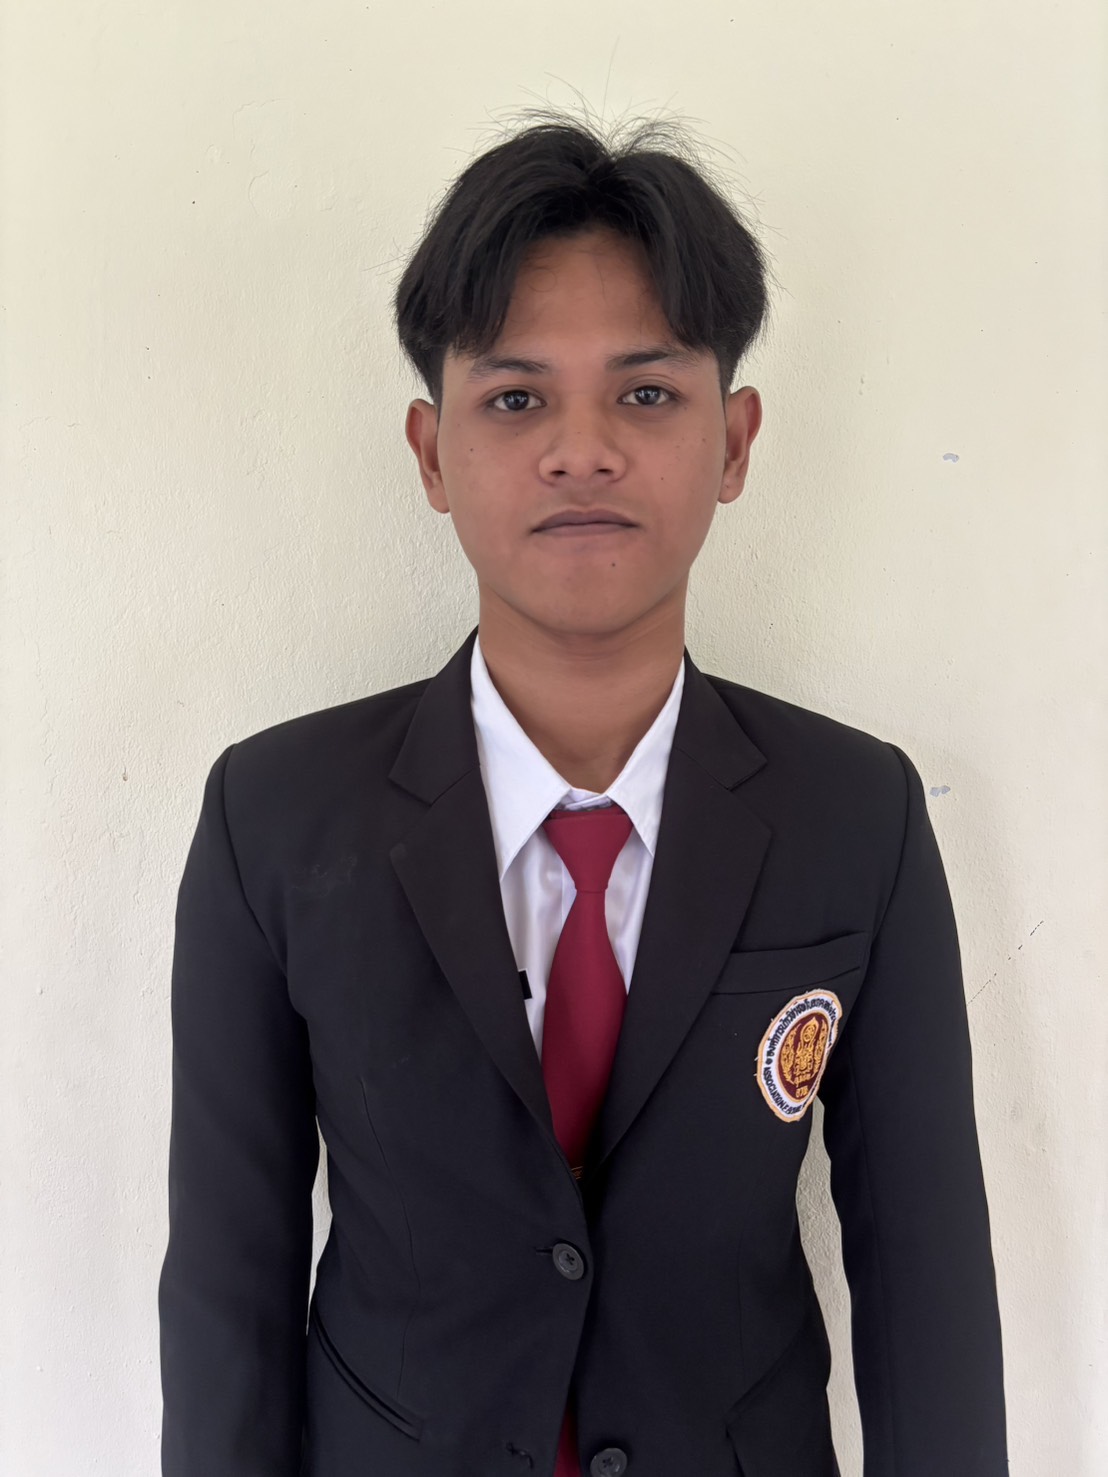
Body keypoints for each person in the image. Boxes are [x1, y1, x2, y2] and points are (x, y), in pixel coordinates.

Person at [158, 110, 1008, 1477]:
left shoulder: (860, 818)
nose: (582, 449)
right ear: (431, 454)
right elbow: (226, 1289)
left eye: (646, 394)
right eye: (516, 399)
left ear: (735, 442)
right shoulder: (274, 820)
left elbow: (926, 1286)